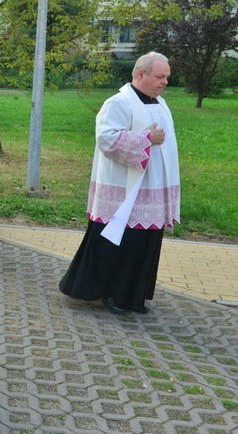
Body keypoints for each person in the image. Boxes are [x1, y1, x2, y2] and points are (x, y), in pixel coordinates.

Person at [59, 52, 180, 315]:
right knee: (119, 243)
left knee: (143, 243)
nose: (165, 82)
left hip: (153, 188)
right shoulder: (118, 103)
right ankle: (110, 293)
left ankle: (134, 296)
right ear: (140, 74)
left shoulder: (159, 103)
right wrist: (146, 138)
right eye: (160, 77)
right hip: (123, 190)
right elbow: (106, 139)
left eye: (166, 77)